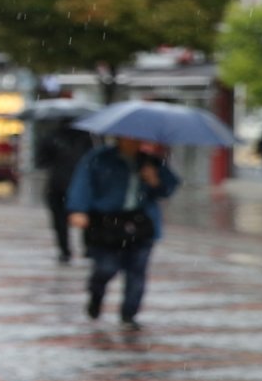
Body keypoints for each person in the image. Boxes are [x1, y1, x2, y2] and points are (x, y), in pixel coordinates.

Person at [66, 136, 180, 331]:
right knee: (106, 268)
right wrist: (78, 209)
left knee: (137, 271)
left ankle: (129, 314)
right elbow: (82, 184)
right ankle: (96, 295)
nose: (133, 141)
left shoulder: (150, 161)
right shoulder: (98, 158)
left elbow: (168, 188)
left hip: (141, 223)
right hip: (106, 224)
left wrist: (154, 180)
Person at [34, 119, 95, 264]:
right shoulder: (86, 138)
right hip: (79, 184)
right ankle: (86, 248)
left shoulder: (52, 137)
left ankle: (65, 251)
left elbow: (41, 161)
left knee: (60, 221)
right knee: (86, 216)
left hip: (59, 184)